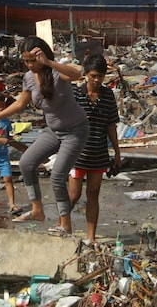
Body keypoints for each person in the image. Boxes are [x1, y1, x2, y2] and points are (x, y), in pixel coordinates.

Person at [0, 36, 88, 234]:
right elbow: (20, 104)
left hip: (75, 131)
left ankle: (65, 224)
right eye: (26, 61)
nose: (30, 65)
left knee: (57, 176)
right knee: (26, 163)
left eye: (33, 60)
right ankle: (37, 209)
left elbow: (78, 74)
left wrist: (47, 62)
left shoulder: (57, 72)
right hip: (53, 131)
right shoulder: (29, 78)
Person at [68, 54, 121, 241]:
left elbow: (111, 126)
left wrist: (117, 153)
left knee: (93, 195)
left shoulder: (108, 96)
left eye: (100, 76)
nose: (97, 80)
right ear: (86, 75)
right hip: (77, 154)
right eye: (93, 76)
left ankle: (91, 237)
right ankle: (63, 227)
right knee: (73, 195)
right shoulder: (75, 95)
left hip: (98, 153)